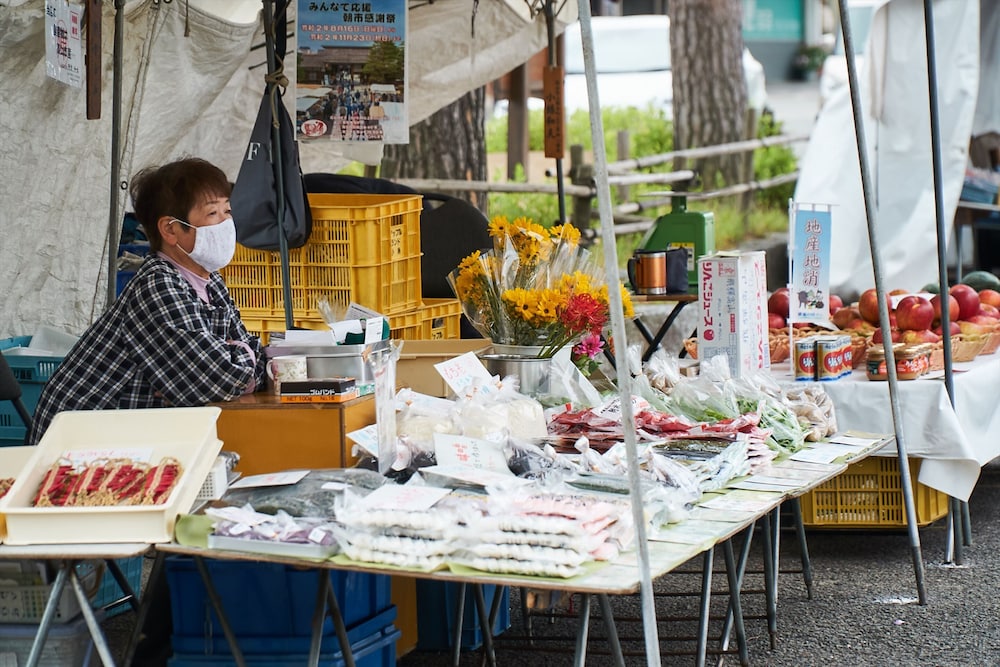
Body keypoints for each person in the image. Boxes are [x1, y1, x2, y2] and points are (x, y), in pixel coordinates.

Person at [27, 157, 266, 446]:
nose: (226, 223)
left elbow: (251, 359)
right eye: (213, 213)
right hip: (81, 443)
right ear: (170, 229)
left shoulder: (210, 281)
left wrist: (237, 356)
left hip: (130, 437)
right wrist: (240, 358)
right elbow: (216, 379)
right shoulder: (158, 285)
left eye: (227, 210)